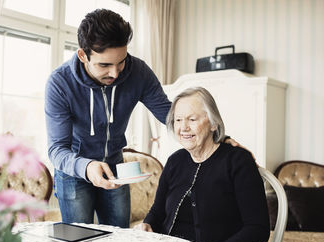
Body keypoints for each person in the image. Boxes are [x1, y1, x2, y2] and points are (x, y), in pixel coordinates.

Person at [45, 9, 238, 229]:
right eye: (104, 65)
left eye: (121, 61)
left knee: (120, 240)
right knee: (79, 240)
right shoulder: (60, 84)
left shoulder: (138, 72)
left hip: (117, 169)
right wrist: (87, 167)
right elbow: (57, 149)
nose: (116, 73)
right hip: (74, 173)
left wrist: (218, 138)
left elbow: (170, 114)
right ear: (83, 55)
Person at [136, 87, 270, 242]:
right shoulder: (175, 161)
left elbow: (258, 229)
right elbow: (158, 211)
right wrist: (147, 224)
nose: (183, 127)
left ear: (214, 124)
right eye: (178, 120)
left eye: (192, 119)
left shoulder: (238, 161)